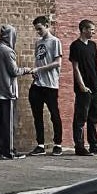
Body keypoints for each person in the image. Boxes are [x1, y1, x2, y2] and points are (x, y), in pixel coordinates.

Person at [69, 19, 97, 156]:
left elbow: (96, 65)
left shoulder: (93, 45)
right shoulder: (75, 46)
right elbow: (75, 68)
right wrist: (81, 85)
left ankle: (94, 145)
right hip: (84, 88)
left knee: (93, 117)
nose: (94, 32)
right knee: (81, 118)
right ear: (84, 30)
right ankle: (79, 147)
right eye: (91, 30)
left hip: (94, 86)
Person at [0, 24, 32, 160]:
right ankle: (9, 151)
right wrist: (27, 69)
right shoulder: (8, 51)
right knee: (8, 124)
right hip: (8, 92)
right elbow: (14, 71)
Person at [27, 16, 64, 156]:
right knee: (37, 115)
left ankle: (58, 144)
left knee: (54, 114)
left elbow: (57, 63)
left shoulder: (55, 42)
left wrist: (39, 70)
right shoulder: (38, 43)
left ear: (47, 25)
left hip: (50, 85)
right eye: (36, 30)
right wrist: (35, 72)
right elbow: (39, 61)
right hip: (38, 84)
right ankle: (40, 145)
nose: (38, 32)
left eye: (40, 29)